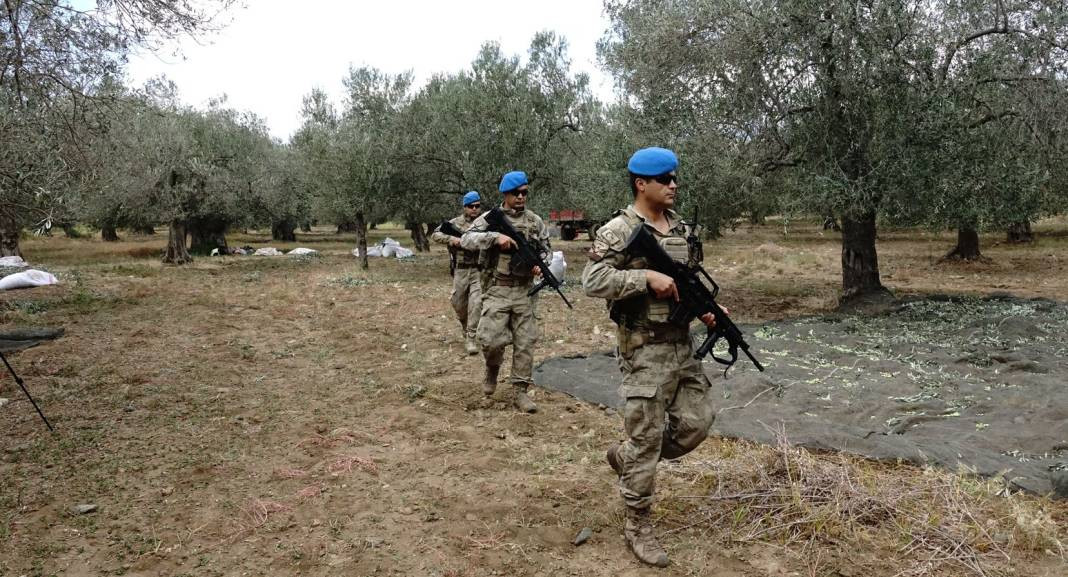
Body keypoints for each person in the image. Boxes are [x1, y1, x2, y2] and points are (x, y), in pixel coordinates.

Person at [581, 147, 720, 567]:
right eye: (664, 179)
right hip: (643, 349)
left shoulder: (682, 229)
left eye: (675, 178)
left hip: (682, 345)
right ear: (641, 184)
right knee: (646, 438)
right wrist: (644, 277)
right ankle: (638, 523)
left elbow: (688, 281)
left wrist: (708, 309)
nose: (673, 185)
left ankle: (624, 459)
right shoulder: (618, 230)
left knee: (697, 423)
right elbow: (592, 279)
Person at [460, 171, 549, 413]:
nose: (521, 197)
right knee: (490, 340)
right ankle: (492, 368)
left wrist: (542, 265)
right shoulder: (491, 218)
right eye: (516, 193)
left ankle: (520, 391)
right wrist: (494, 238)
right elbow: (467, 238)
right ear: (505, 194)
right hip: (497, 289)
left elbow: (546, 249)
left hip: (524, 292)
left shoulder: (535, 221)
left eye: (524, 193)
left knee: (525, 343)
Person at [431, 191, 484, 355]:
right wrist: (451, 240)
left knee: (476, 303)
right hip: (461, 269)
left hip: (479, 269)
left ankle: (471, 338)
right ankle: (464, 324)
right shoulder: (455, 223)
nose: (475, 209)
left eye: (477, 206)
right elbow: (435, 234)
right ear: (464, 207)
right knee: (458, 303)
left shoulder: (484, 223)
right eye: (471, 206)